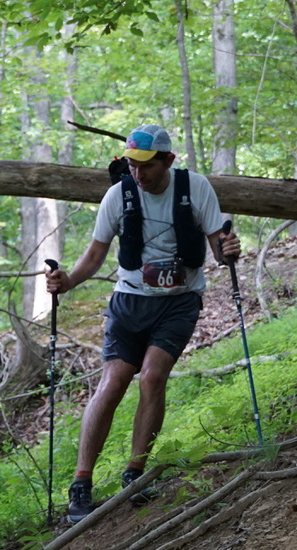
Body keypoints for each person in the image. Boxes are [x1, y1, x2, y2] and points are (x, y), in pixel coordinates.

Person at [45, 124, 241, 524]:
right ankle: (81, 483)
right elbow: (96, 254)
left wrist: (229, 250)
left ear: (168, 161)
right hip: (129, 302)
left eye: (147, 165)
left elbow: (220, 246)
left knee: (152, 377)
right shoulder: (118, 195)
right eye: (133, 165)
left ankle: (135, 473)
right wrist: (67, 282)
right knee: (113, 381)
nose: (139, 173)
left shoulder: (195, 188)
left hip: (179, 302)